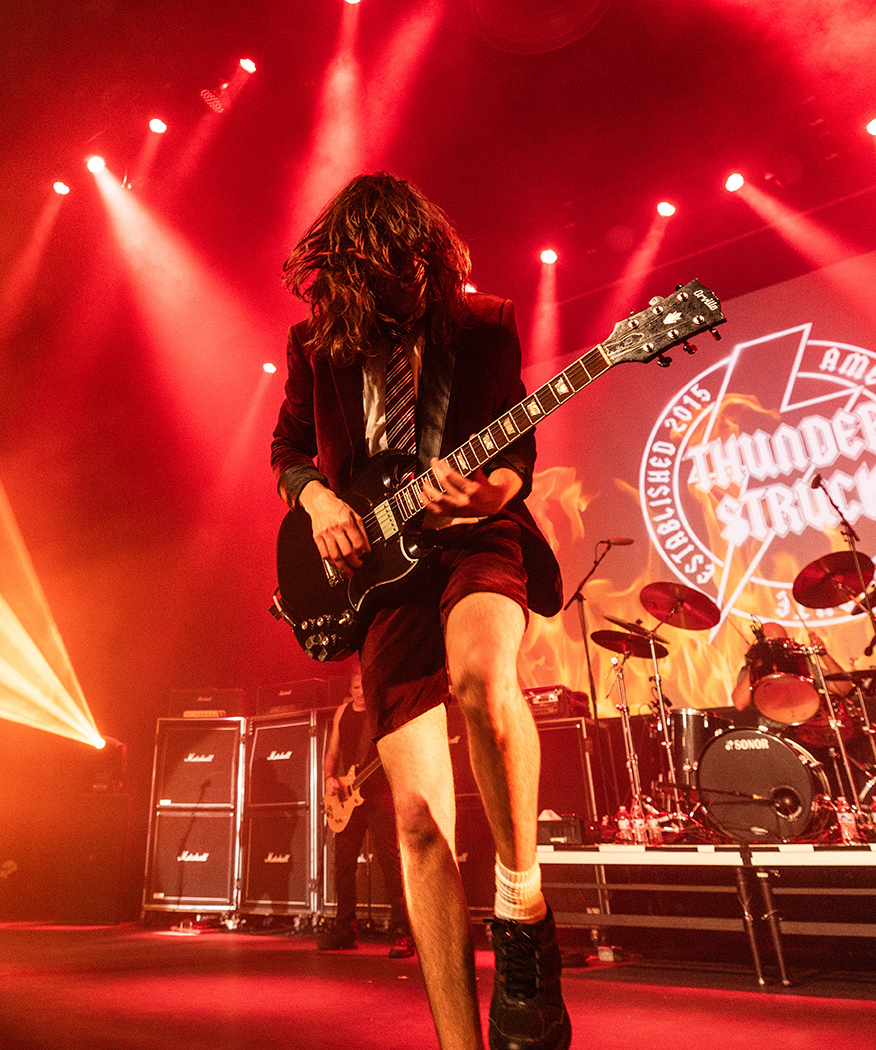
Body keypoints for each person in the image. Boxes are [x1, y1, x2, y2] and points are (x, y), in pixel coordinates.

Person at [272, 172, 568, 1050]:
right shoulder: (316, 342)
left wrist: (492, 490)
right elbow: (288, 448)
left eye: (412, 264)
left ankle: (522, 912)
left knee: (480, 680)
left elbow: (517, 446)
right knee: (414, 819)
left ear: (429, 253)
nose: (403, 282)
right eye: (382, 271)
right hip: (379, 570)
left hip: (476, 537)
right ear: (349, 271)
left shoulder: (486, 324)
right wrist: (319, 504)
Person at [321, 666, 414, 958]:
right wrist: (329, 777)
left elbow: (400, 750)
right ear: (350, 689)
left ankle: (402, 931)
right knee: (343, 862)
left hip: (379, 792)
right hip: (348, 796)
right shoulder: (342, 713)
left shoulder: (382, 712)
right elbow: (332, 752)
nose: (361, 693)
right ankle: (345, 929)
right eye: (356, 687)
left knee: (389, 859)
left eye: (364, 686)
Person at [727, 621, 853, 732]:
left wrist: (823, 654)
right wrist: (754, 663)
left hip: (808, 732)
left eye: (779, 642)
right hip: (772, 735)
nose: (774, 649)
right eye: (769, 644)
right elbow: (739, 703)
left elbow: (843, 689)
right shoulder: (750, 671)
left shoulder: (803, 668)